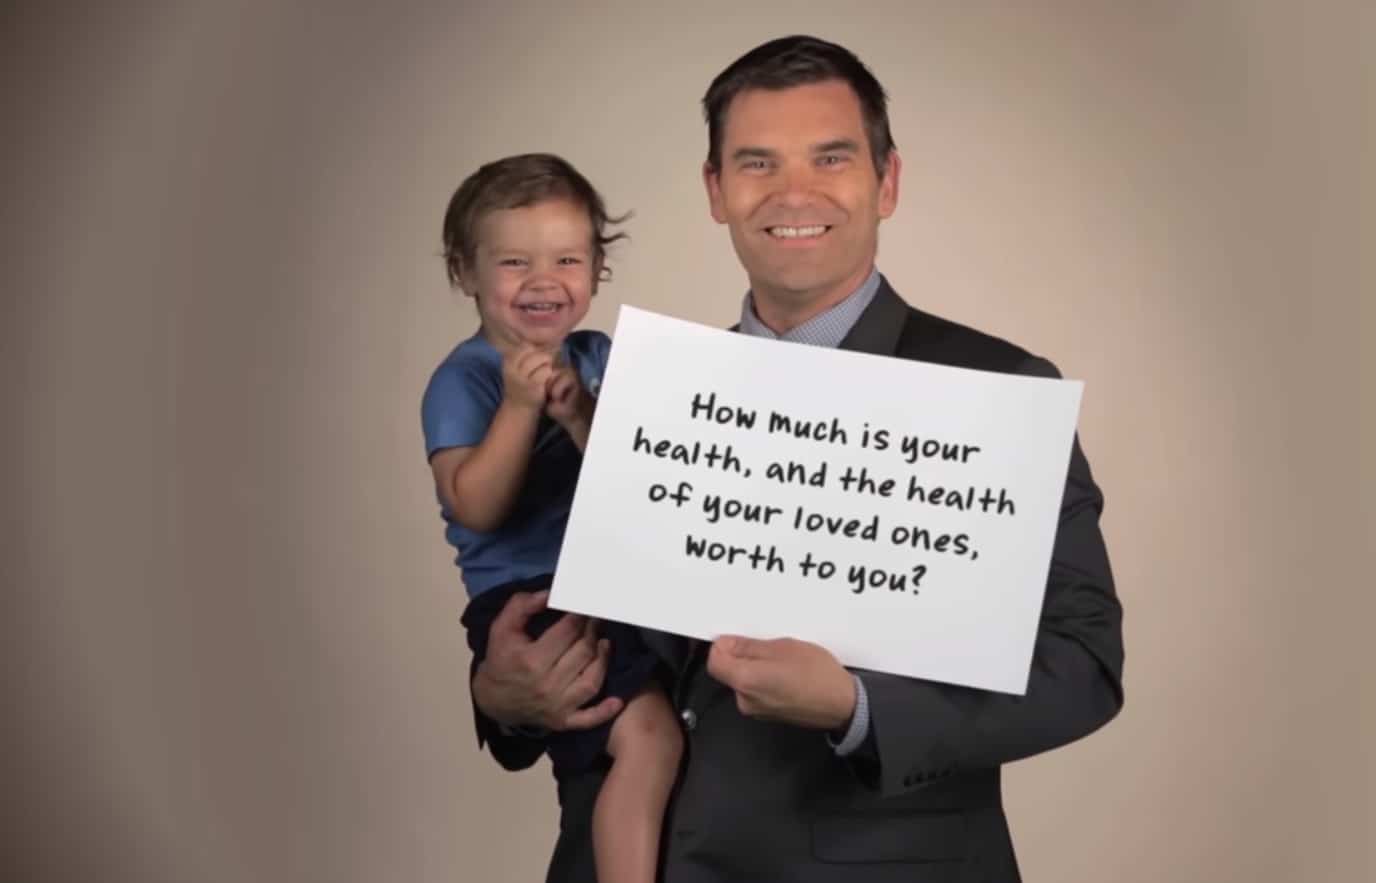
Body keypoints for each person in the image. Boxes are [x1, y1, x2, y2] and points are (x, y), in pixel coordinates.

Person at [467, 37, 1125, 882]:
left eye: (831, 157)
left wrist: (858, 708)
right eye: (756, 163)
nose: (792, 193)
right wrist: (504, 698)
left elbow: (1083, 663)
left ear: (886, 182)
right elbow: (559, 605)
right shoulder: (633, 393)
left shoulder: (996, 390)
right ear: (716, 191)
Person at [420, 152, 682, 883]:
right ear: (465, 272)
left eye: (567, 257)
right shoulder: (464, 378)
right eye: (513, 261)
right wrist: (520, 406)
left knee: (656, 730)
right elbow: (474, 503)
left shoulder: (599, 357)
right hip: (532, 596)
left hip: (615, 584)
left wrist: (578, 416)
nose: (543, 280)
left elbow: (639, 483)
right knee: (649, 738)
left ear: (597, 269)